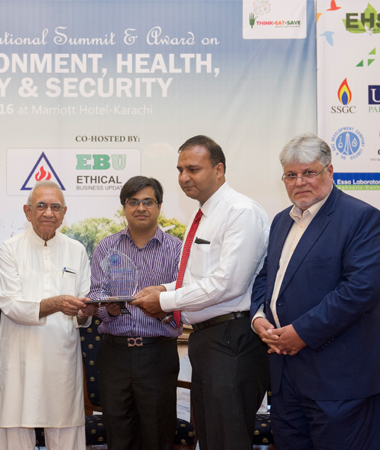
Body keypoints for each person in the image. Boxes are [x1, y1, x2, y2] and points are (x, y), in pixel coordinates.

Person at [250, 133, 380, 449]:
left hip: (342, 380)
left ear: (329, 171)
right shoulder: (281, 221)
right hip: (286, 378)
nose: (299, 182)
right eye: (291, 175)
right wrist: (259, 318)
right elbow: (266, 279)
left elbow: (361, 289)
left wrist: (301, 332)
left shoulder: (361, 218)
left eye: (309, 172)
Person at [130, 135, 270, 450]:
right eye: (180, 170)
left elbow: (228, 284)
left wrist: (164, 301)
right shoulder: (205, 215)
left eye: (193, 169)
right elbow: (198, 279)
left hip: (233, 340)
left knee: (228, 440)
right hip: (209, 341)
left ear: (219, 170)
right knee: (211, 439)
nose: (184, 177)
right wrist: (164, 289)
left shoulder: (240, 212)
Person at [0, 180, 98, 450]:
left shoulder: (77, 250)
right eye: (41, 206)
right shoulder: (8, 249)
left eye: (55, 207)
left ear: (64, 213)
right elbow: (11, 305)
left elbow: (83, 312)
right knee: (16, 433)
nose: (48, 213)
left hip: (62, 359)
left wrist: (85, 313)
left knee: (66, 434)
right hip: (20, 357)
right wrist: (57, 303)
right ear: (27, 212)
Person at [89, 176, 183, 450]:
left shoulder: (177, 249)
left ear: (159, 206)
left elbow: (186, 297)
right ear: (124, 207)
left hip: (157, 353)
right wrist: (109, 310)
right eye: (133, 202)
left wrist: (162, 310)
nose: (141, 208)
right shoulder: (106, 246)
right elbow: (96, 293)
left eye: (148, 202)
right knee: (118, 436)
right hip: (114, 354)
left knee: (158, 435)